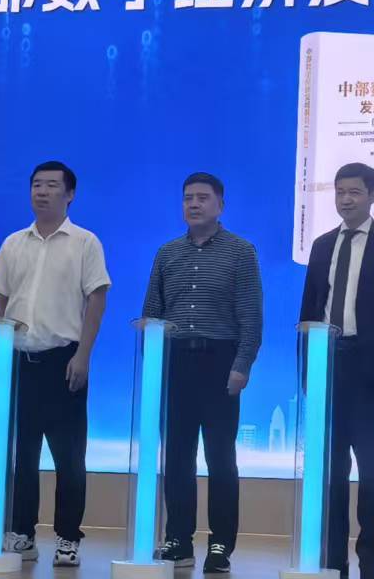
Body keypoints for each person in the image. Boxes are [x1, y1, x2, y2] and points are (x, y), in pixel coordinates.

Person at [0, 161, 111, 569]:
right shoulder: (13, 243)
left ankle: (68, 537)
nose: (42, 192)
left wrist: (83, 355)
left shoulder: (85, 242)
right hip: (20, 361)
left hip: (64, 361)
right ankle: (22, 532)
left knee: (69, 458)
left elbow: (96, 300)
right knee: (22, 455)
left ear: (70, 194)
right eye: (36, 185)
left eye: (51, 186)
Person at [297, 162, 374, 579]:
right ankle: (334, 559)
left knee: (373, 472)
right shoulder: (321, 246)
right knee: (331, 471)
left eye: (354, 192)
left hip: (371, 373)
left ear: (373, 196)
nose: (345, 199)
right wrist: (308, 369)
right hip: (329, 367)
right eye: (339, 192)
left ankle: (369, 557)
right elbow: (309, 309)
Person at [143, 173, 263, 575]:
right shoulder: (167, 253)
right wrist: (153, 366)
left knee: (220, 459)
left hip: (220, 362)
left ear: (220, 205)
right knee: (177, 457)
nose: (193, 204)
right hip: (176, 362)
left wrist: (242, 365)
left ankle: (220, 544)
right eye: (187, 198)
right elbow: (152, 313)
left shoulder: (240, 251)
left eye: (202, 198)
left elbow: (251, 316)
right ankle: (178, 539)